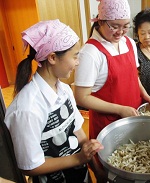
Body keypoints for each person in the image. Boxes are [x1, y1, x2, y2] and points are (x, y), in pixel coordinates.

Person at [4, 19, 103, 183]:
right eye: (75, 56)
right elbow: (30, 166)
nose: (77, 63)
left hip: (80, 176)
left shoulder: (63, 90)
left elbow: (77, 130)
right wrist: (79, 158)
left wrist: (95, 167)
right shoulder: (27, 109)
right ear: (52, 58)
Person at [74, 0, 150, 141]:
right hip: (108, 125)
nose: (120, 32)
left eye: (126, 26)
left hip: (133, 115)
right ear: (100, 22)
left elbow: (133, 76)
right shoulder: (90, 53)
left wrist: (144, 94)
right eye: (115, 26)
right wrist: (120, 109)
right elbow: (81, 97)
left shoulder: (128, 43)